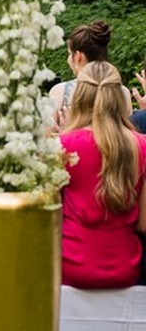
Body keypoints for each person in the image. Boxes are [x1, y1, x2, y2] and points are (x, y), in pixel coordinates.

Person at [59, 61, 146, 289]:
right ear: (118, 98)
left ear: (79, 97)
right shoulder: (141, 146)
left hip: (70, 265)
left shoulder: (63, 145)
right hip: (126, 266)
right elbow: (144, 224)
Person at [50, 20, 130, 123]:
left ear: (78, 56)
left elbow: (47, 135)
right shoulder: (122, 92)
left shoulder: (60, 92)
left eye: (70, 54)